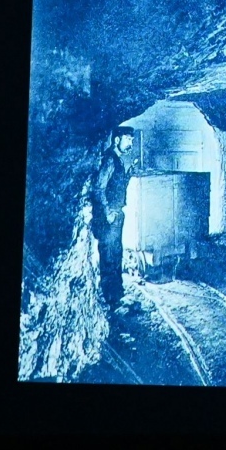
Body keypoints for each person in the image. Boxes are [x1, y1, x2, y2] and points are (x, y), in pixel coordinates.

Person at [91, 126, 137, 313]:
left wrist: (128, 174)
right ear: (117, 140)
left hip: (117, 215)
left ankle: (117, 295)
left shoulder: (118, 160)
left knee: (116, 254)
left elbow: (116, 186)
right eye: (128, 139)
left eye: (132, 140)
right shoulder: (110, 160)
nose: (131, 143)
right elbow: (98, 188)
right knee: (109, 257)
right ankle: (112, 300)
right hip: (108, 218)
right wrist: (108, 212)